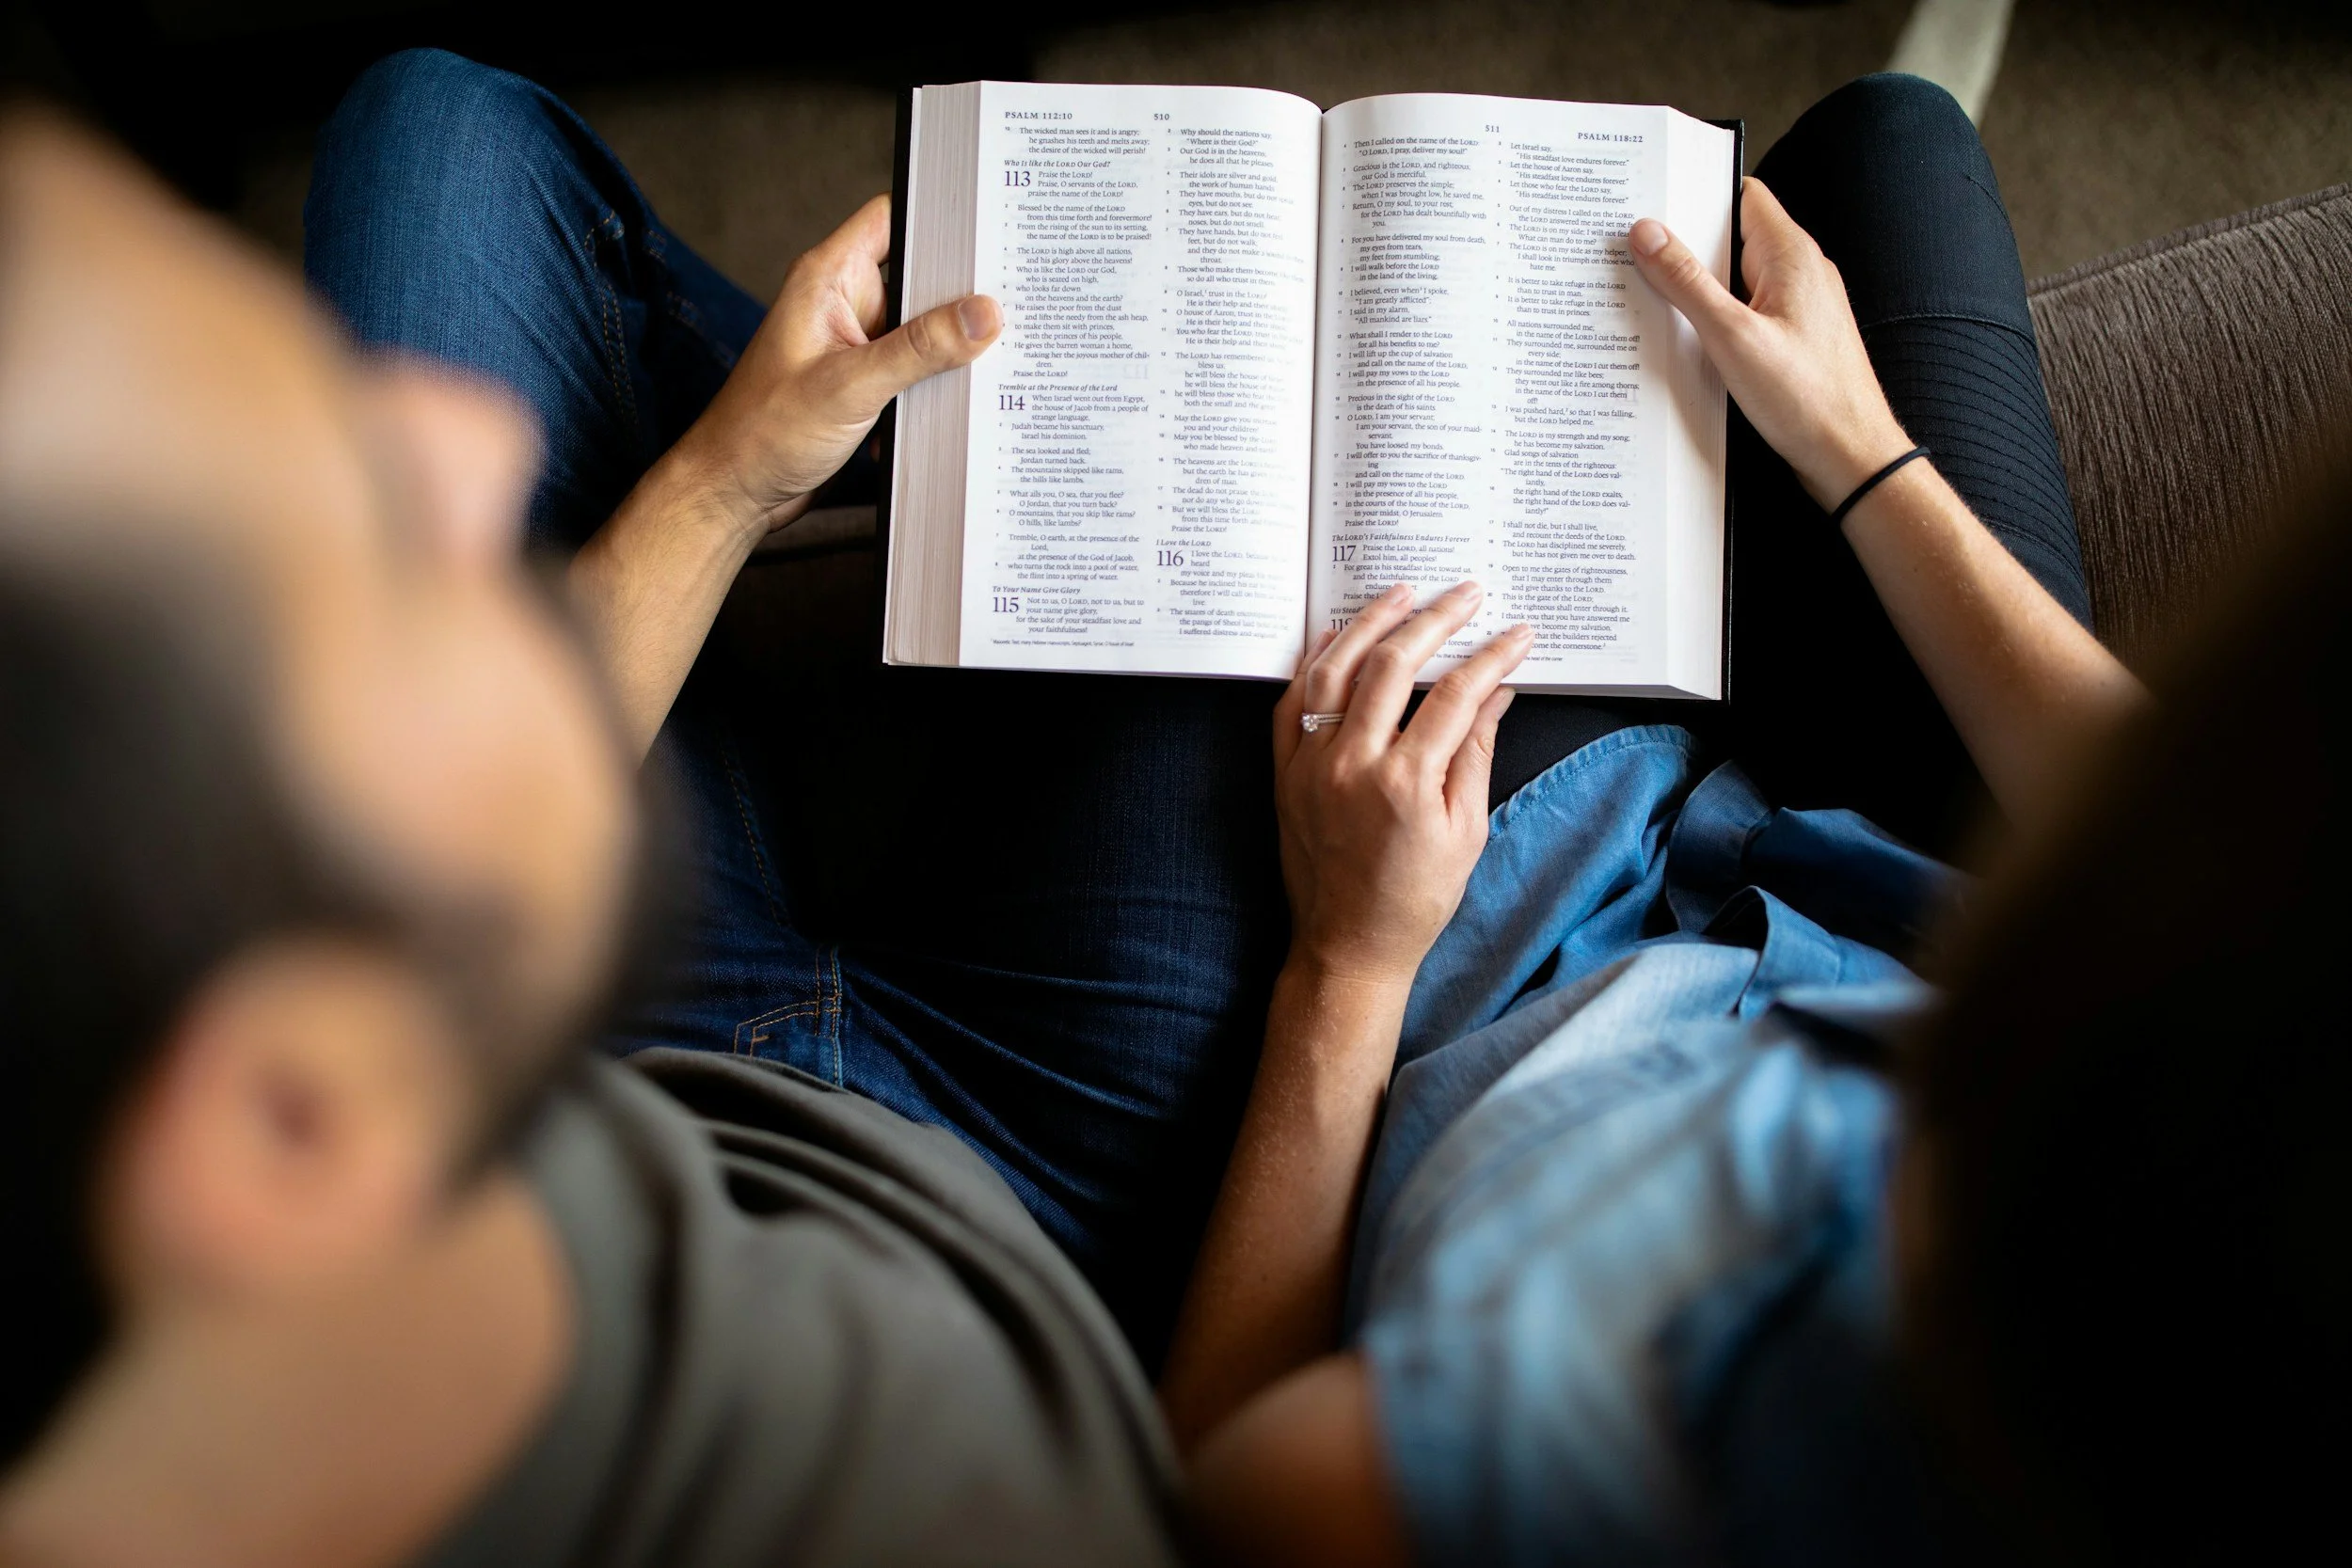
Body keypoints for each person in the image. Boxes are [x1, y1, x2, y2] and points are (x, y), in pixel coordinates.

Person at [0, 45, 2305, 1568]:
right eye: (360, 569)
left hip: (1039, 1085)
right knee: (1876, 149)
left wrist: (719, 490)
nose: (450, 457)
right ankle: (860, 479)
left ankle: (826, 473)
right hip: (1406, 997)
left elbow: (1224, 1476)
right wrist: (1863, 460)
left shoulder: (1569, 1419)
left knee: (443, 130)